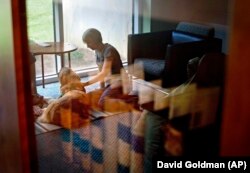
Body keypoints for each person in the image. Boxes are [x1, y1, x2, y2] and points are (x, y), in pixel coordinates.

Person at [81, 28, 124, 110]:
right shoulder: (97, 51)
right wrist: (101, 89)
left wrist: (85, 84)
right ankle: (113, 95)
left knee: (103, 103)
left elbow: (104, 73)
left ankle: (132, 100)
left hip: (120, 83)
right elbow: (101, 73)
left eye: (89, 42)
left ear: (96, 40)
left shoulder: (109, 51)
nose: (87, 46)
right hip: (109, 84)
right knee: (88, 99)